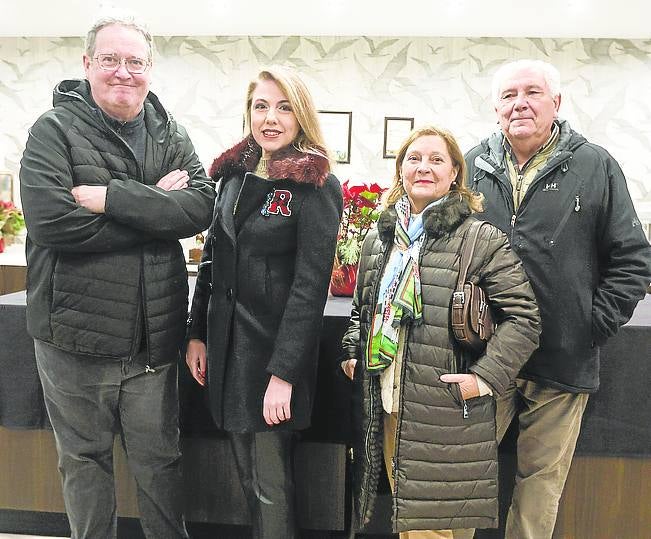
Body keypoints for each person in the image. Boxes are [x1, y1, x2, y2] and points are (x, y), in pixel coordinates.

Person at [19, 14, 215, 539]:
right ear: (87, 65)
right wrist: (155, 210)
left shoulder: (170, 132)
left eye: (135, 61)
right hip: (72, 340)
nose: (122, 72)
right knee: (84, 464)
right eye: (110, 59)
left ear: (150, 68)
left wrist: (113, 198)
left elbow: (199, 208)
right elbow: (52, 223)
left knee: (161, 463)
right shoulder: (52, 131)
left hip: (152, 341)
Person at [465, 59, 651, 539]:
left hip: (563, 359)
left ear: (557, 103)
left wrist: (590, 323)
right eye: (509, 95)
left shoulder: (595, 164)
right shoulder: (470, 165)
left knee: (539, 487)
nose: (520, 103)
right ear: (495, 106)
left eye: (532, 92)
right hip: (486, 356)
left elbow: (632, 258)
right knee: (462, 478)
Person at [340, 125, 541, 538]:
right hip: (391, 404)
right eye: (414, 159)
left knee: (435, 531)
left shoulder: (479, 239)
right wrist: (352, 352)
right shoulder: (380, 241)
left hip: (446, 413)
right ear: (401, 171)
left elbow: (524, 319)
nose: (424, 168)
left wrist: (483, 379)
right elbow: (361, 309)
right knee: (413, 527)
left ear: (454, 175)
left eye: (436, 160)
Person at [185, 66, 343, 539]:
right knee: (247, 480)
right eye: (260, 106)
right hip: (228, 353)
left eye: (283, 106)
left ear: (301, 116)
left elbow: (309, 288)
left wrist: (284, 375)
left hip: (272, 359)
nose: (270, 118)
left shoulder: (314, 186)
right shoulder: (232, 178)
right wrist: (197, 335)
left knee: (271, 485)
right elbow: (212, 260)